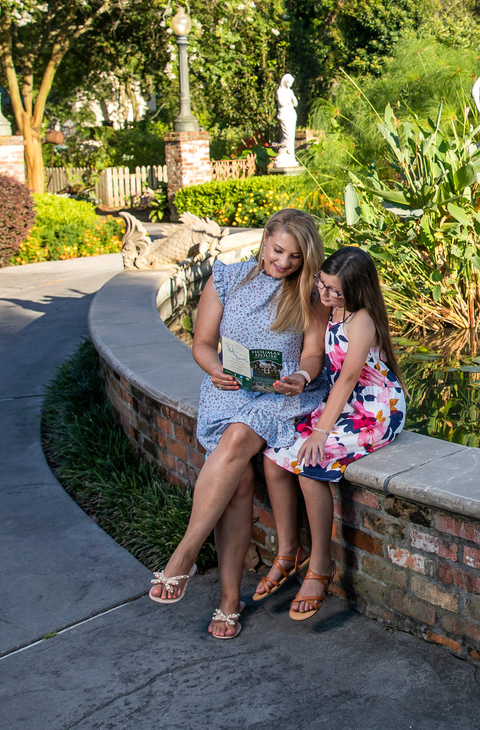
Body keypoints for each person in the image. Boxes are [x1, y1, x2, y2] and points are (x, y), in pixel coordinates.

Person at [147, 209, 332, 641]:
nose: (284, 262)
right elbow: (202, 343)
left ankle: (184, 556)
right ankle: (228, 601)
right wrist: (215, 370)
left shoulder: (308, 292)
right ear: (265, 240)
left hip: (283, 396)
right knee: (239, 485)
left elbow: (313, 356)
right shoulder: (227, 278)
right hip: (230, 390)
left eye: (295, 256)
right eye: (278, 250)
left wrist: (301, 378)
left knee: (235, 440)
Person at [264, 245, 406, 621]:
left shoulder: (362, 320)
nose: (323, 296)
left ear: (356, 292)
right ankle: (288, 549)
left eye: (333, 292)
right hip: (341, 402)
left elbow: (346, 379)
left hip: (373, 408)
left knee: (311, 466)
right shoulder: (331, 305)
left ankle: (322, 567)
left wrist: (321, 433)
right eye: (322, 285)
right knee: (274, 457)